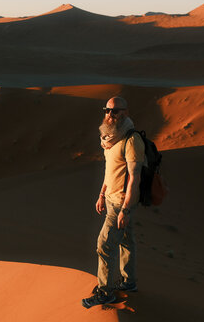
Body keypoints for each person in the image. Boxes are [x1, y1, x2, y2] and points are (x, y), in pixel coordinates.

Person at [82, 96, 145, 308]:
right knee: (126, 241)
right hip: (110, 198)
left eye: (115, 111)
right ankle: (128, 282)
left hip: (121, 202)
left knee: (105, 245)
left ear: (125, 113)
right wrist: (101, 194)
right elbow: (111, 172)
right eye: (107, 110)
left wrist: (125, 209)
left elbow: (134, 177)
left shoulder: (131, 140)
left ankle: (105, 292)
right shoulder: (110, 138)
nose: (110, 115)